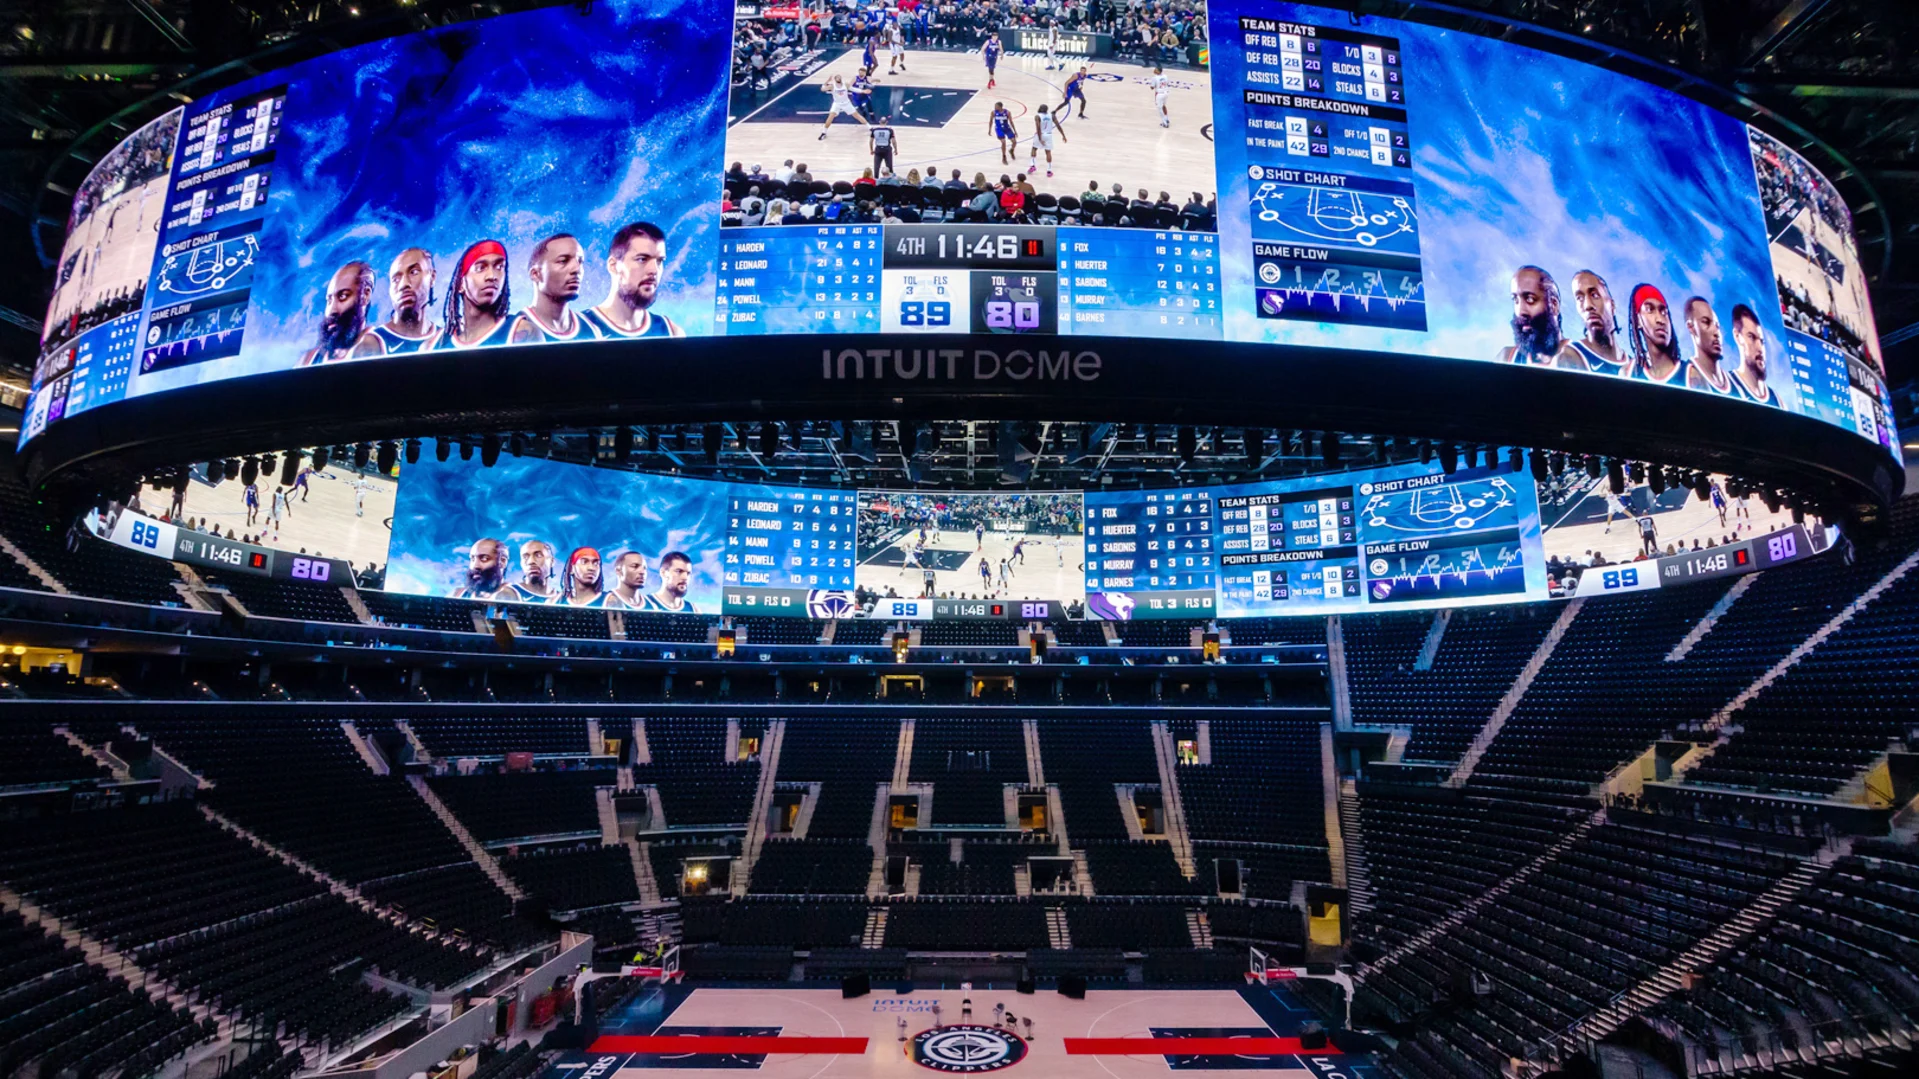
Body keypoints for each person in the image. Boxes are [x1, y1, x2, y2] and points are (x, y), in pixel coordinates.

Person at [582, 222, 685, 338]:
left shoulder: (672, 333)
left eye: (659, 261)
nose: (654, 270)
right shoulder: (583, 329)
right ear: (613, 266)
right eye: (642, 259)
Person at [509, 234, 601, 344]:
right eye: (563, 261)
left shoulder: (592, 331)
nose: (577, 269)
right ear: (536, 274)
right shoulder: (515, 330)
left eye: (580, 261)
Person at [434, 239, 514, 350]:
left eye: (499, 267)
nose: (492, 276)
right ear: (461, 284)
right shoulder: (437, 344)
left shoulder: (518, 331)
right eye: (480, 268)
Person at [1495, 266, 1578, 367]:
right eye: (1516, 300)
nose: (1521, 311)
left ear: (1554, 305)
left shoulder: (1579, 360)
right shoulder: (1506, 359)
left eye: (1530, 299)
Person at [300, 261, 380, 364]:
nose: (332, 310)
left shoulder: (373, 346)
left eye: (343, 296)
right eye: (329, 301)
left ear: (365, 295)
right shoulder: (309, 359)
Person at [368, 248, 441, 354]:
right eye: (396, 279)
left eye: (413, 272)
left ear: (432, 277)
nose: (403, 284)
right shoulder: (373, 343)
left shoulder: (445, 339)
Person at [1556, 269, 1628, 374]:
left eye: (1594, 295)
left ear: (1612, 306)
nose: (1588, 305)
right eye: (1580, 298)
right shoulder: (1570, 356)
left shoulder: (1633, 366)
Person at [1627, 283, 1684, 384]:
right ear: (1638, 320)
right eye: (1650, 310)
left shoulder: (1691, 376)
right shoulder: (1629, 374)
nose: (1660, 319)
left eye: (1663, 312)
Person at [1727, 303, 1777, 406]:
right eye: (1752, 337)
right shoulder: (1727, 385)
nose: (1760, 348)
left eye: (1762, 341)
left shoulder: (1777, 401)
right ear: (1737, 336)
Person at [1682, 296, 1733, 393]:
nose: (1716, 333)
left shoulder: (1735, 385)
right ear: (1691, 327)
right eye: (1706, 322)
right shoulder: (1683, 376)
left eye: (1717, 326)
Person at [819, 75, 867, 139]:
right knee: (830, 117)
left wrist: (862, 91)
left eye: (839, 78)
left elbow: (853, 89)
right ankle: (824, 132)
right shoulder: (832, 86)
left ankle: (870, 128)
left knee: (857, 115)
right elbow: (822, 89)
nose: (838, 79)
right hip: (837, 104)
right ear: (835, 79)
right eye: (837, 78)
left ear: (841, 79)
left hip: (846, 103)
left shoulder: (845, 84)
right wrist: (827, 80)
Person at [1027, 105, 1065, 179]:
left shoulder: (1037, 116)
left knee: (1034, 149)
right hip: (1048, 135)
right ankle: (1049, 170)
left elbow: (1038, 127)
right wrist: (1063, 135)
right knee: (1048, 152)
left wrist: (1040, 138)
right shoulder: (1052, 116)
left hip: (1040, 134)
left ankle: (1032, 165)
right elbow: (1058, 125)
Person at [989, 101, 1018, 166]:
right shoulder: (993, 112)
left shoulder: (1007, 112)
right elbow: (990, 121)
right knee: (1003, 142)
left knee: (1014, 141)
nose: (994, 107)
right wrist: (989, 130)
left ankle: (1011, 150)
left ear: (1000, 107)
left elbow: (1011, 122)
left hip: (1007, 128)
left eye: (996, 106)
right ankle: (1004, 157)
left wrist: (1015, 131)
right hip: (999, 129)